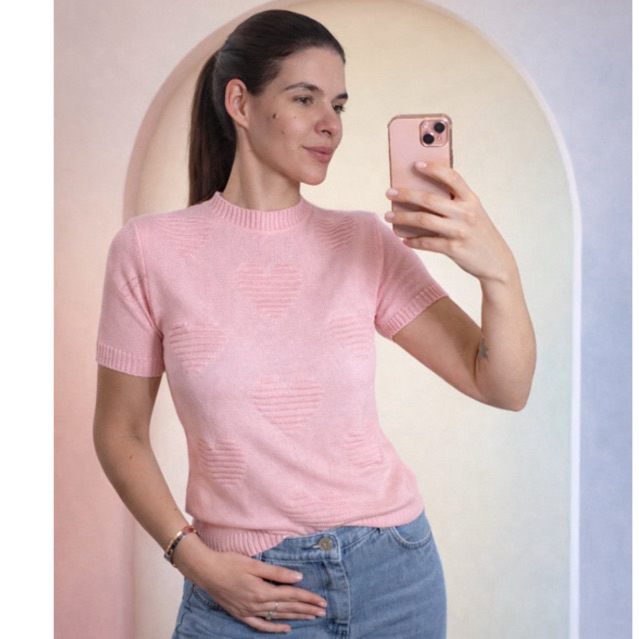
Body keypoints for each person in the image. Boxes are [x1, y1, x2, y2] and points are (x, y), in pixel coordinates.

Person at [93, 9, 535, 639]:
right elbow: (119, 432)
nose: (332, 124)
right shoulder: (148, 251)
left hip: (392, 578)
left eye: (339, 104)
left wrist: (499, 271)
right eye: (305, 99)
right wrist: (193, 559)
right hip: (240, 589)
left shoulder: (362, 241)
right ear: (240, 103)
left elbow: (502, 385)